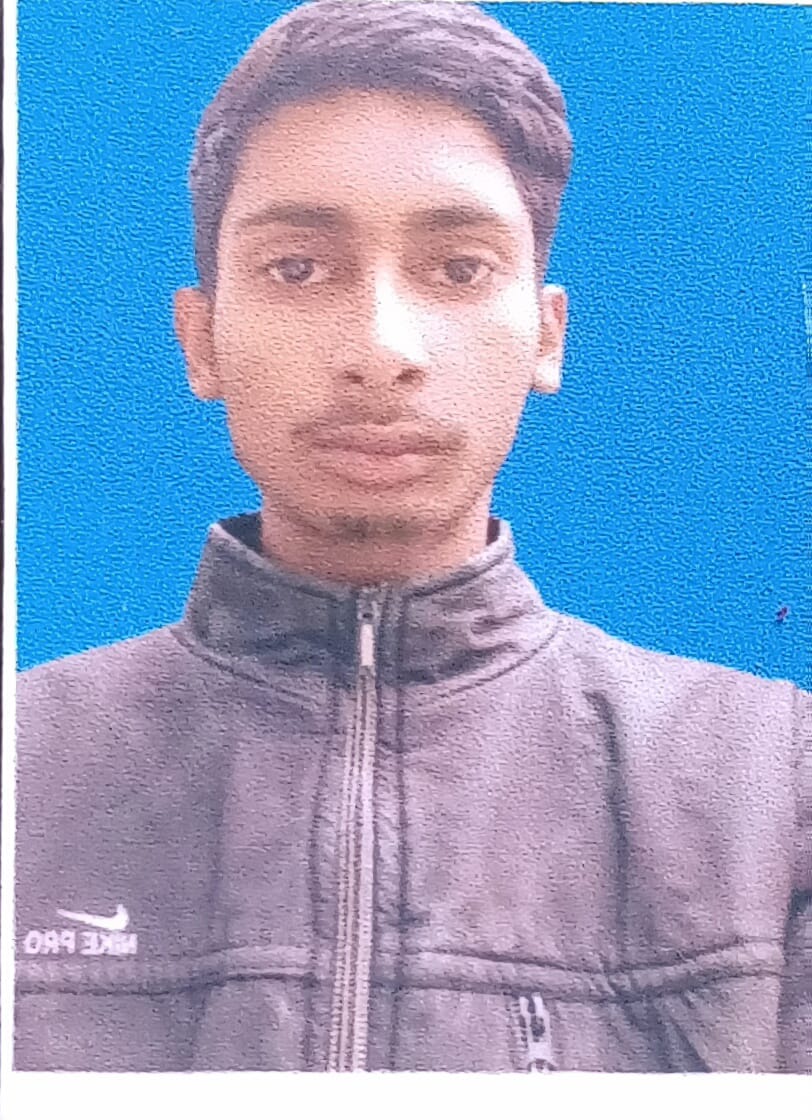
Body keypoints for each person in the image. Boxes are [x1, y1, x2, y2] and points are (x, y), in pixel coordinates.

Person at [14, 0, 810, 1074]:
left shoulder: (771, 788)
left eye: (457, 268)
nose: (382, 348)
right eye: (299, 268)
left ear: (546, 334)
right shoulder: (24, 764)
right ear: (201, 341)